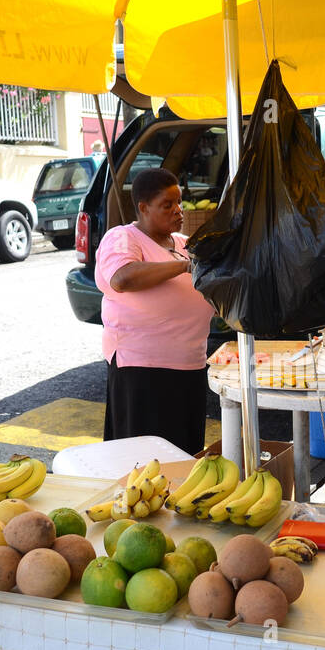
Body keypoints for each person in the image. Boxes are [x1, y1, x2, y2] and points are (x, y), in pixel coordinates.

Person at [95, 167, 215, 453]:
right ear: (143, 208)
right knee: (143, 461)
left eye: (179, 202)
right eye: (167, 204)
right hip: (142, 371)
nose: (178, 211)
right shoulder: (123, 238)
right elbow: (123, 277)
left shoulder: (186, 245)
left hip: (189, 366)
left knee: (184, 454)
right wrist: (184, 266)